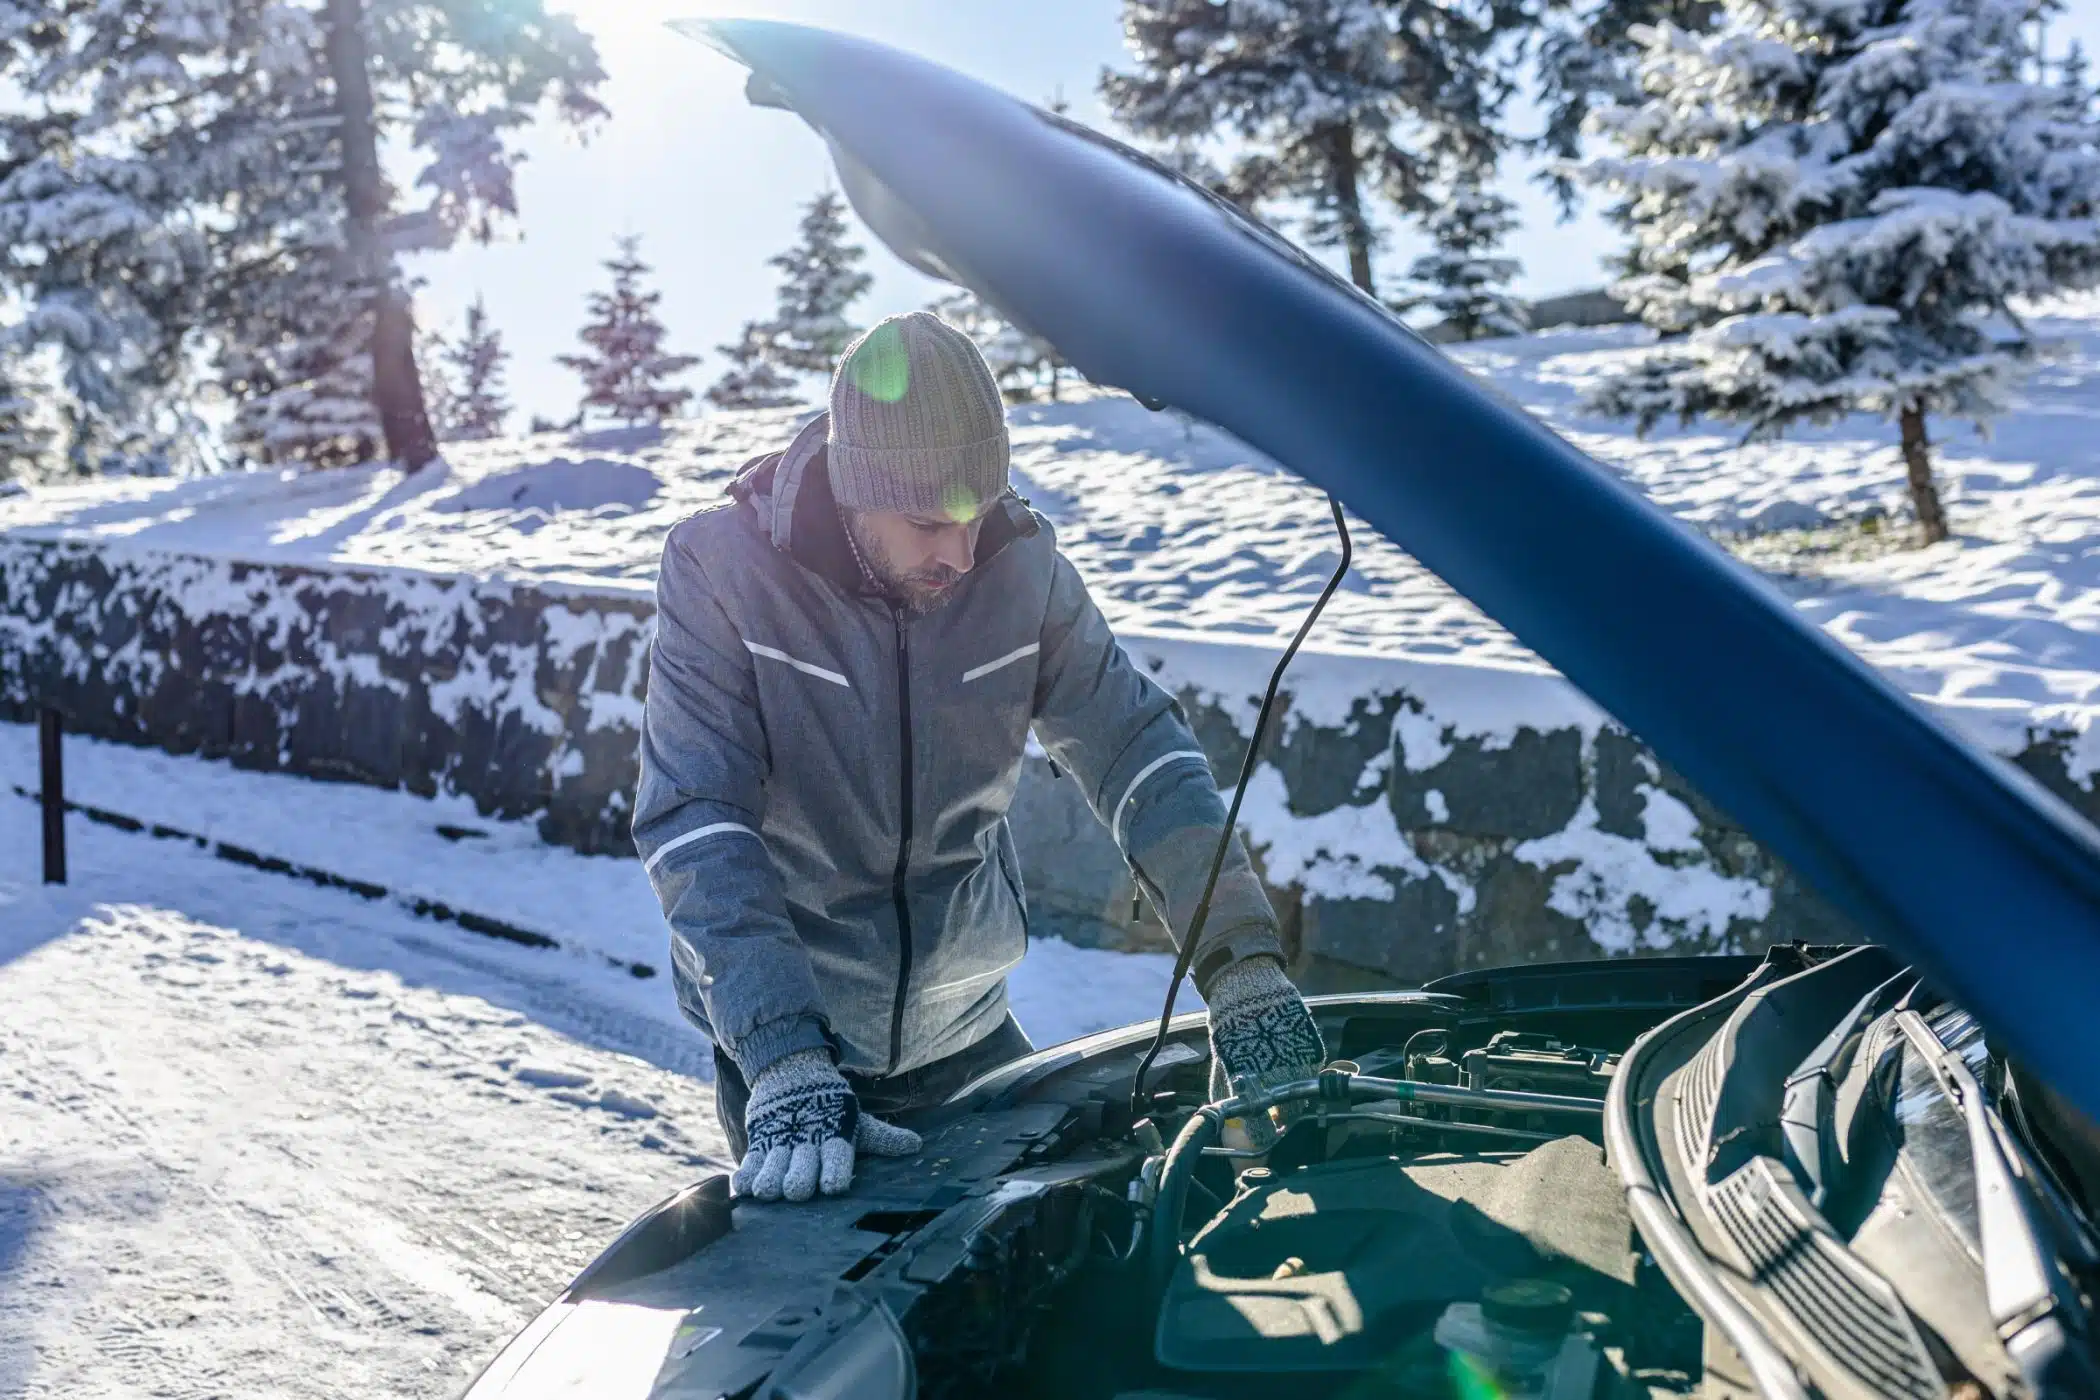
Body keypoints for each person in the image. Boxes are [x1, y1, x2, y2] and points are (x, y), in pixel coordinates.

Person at [634, 310, 1326, 1203]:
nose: (962, 554)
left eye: (978, 511)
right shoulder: (722, 569)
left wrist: (1241, 964)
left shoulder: (1022, 565)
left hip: (973, 1029)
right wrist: (783, 1055)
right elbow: (697, 820)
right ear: (854, 488)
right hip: (804, 1053)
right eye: (928, 522)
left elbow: (1137, 748)